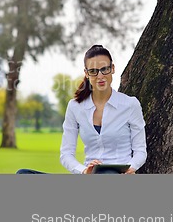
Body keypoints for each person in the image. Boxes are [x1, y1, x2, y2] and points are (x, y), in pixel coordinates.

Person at [60, 45, 147, 174]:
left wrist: (131, 168)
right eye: (93, 71)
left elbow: (140, 151)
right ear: (87, 73)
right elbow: (66, 154)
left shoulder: (130, 104)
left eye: (104, 69)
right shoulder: (75, 107)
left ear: (112, 69)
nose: (100, 76)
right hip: (89, 174)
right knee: (24, 173)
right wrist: (84, 171)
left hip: (117, 173)